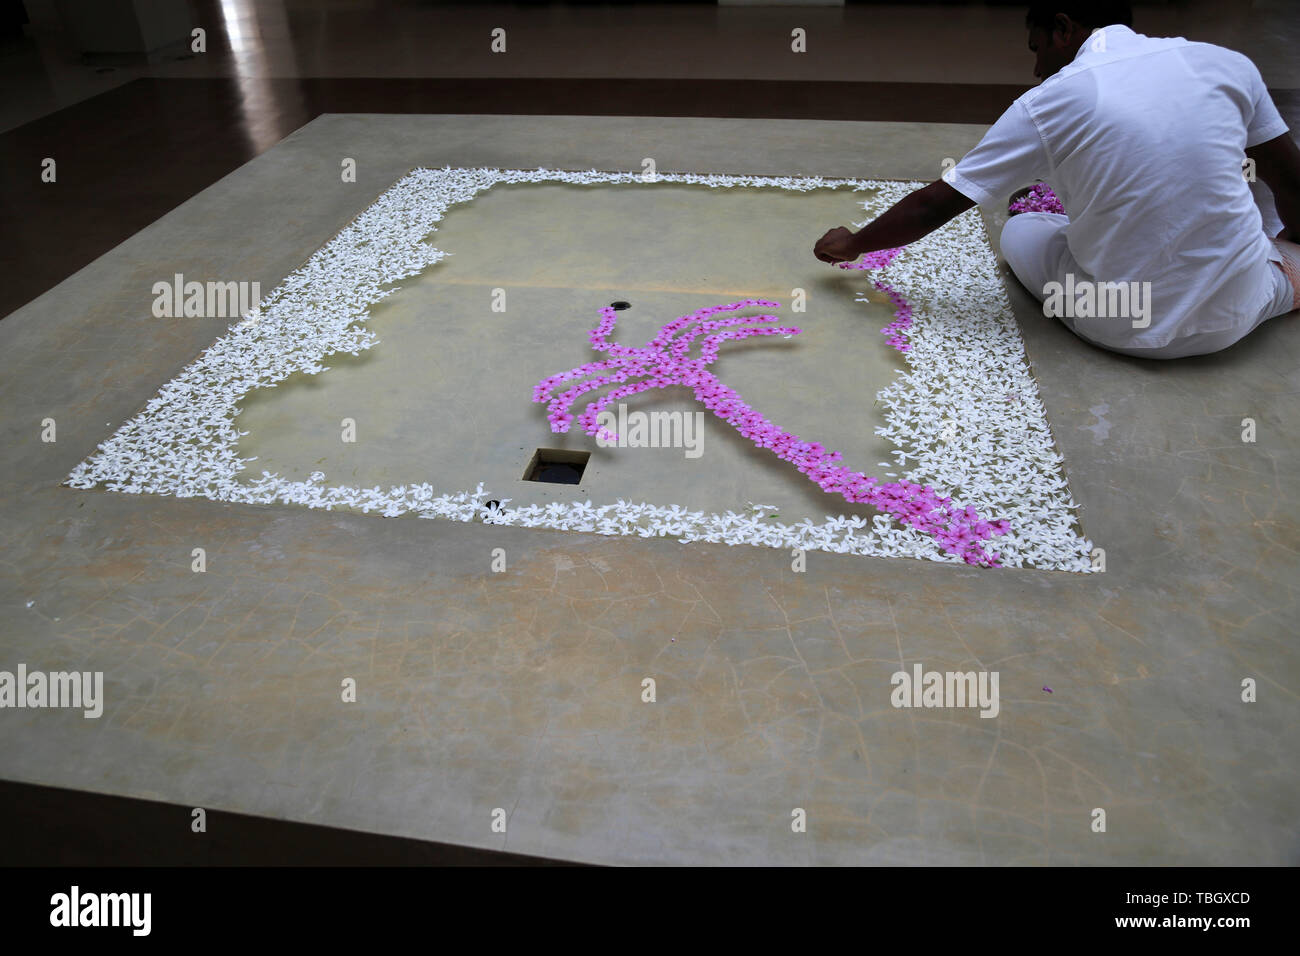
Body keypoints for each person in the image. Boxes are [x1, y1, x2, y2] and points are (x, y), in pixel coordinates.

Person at [813, 0, 1300, 359]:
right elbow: (1291, 184)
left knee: (1022, 229)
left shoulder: (1052, 99)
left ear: (1063, 29)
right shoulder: (1228, 65)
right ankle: (1282, 276)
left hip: (1122, 323)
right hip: (1241, 310)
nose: (1037, 66)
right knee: (1262, 248)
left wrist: (854, 242)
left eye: (1037, 47)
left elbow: (931, 207)